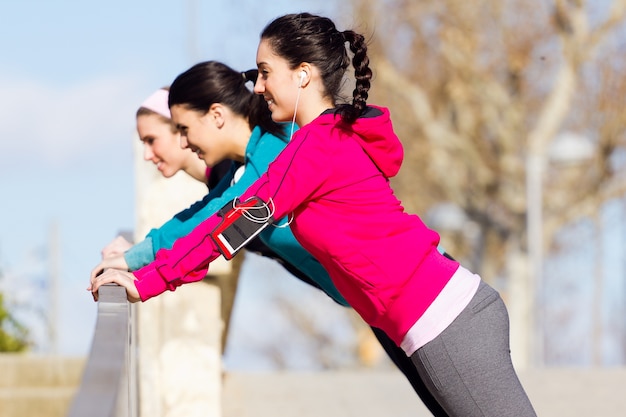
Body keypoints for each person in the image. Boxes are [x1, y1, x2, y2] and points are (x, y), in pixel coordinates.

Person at [91, 60, 451, 416]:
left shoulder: (271, 157)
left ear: (217, 115)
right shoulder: (244, 164)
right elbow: (205, 215)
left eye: (182, 129)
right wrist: (137, 258)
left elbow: (215, 230)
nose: (182, 142)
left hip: (418, 292)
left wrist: (141, 272)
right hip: (384, 304)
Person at [100, 87, 232, 259]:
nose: (146, 155)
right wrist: (138, 252)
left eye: (151, 140)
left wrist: (137, 255)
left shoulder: (231, 172)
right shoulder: (219, 179)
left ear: (180, 128)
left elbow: (201, 232)